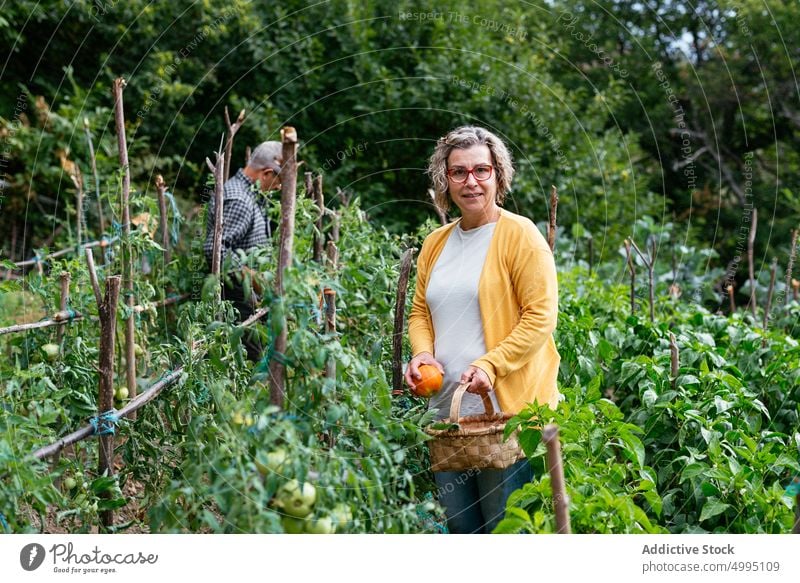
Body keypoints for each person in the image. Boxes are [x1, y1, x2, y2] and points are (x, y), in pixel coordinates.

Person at [405, 125, 561, 534]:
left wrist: (491, 365)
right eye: (458, 172)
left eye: (481, 170)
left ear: (498, 175)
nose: (470, 181)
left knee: (502, 532)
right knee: (461, 531)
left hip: (506, 416)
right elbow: (421, 310)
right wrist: (422, 352)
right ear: (445, 179)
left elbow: (541, 315)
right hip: (449, 416)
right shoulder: (435, 243)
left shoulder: (520, 235)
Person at [204, 141, 283, 361]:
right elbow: (214, 249)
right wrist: (249, 274)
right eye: (279, 181)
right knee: (248, 363)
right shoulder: (239, 199)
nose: (279, 188)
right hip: (236, 303)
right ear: (266, 173)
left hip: (249, 299)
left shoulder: (249, 195)